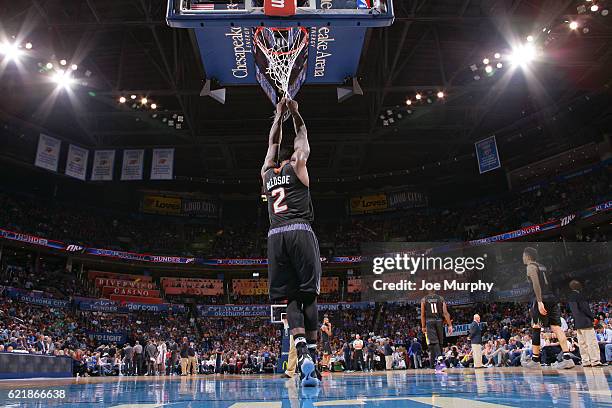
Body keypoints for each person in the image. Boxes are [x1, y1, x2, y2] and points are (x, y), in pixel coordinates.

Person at [262, 98, 322, 387]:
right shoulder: (298, 164)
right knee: (308, 296)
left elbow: (272, 142)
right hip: (299, 230)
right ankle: (313, 358)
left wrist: (277, 117)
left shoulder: (266, 173)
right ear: (292, 156)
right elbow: (303, 138)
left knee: (291, 300)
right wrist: (295, 113)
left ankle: (300, 352)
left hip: (275, 236)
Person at [520, 247, 574, 369]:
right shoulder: (543, 266)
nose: (522, 258)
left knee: (536, 327)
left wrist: (539, 301)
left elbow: (536, 284)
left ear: (528, 256)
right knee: (556, 327)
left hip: (541, 298)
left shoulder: (531, 267)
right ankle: (567, 358)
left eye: (523, 256)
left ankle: (535, 359)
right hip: (552, 297)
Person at [567, 280, 602, 367]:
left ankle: (585, 361)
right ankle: (595, 360)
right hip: (585, 321)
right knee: (591, 342)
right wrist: (592, 317)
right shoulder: (580, 296)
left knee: (582, 343)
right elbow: (586, 309)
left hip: (577, 323)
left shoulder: (570, 297)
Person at [420, 291, 453, 367]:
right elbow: (445, 313)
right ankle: (440, 362)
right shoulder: (441, 298)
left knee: (435, 342)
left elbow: (422, 315)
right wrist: (450, 325)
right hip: (439, 321)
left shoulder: (424, 299)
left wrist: (423, 326)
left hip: (430, 321)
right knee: (440, 342)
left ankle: (440, 359)